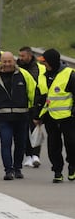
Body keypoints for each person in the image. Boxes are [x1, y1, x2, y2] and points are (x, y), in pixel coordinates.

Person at [0, 52, 37, 181]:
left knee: (20, 144)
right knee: (6, 143)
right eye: (5, 61)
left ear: (14, 61)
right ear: (1, 62)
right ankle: (8, 170)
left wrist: (34, 113)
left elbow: (33, 92)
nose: (7, 64)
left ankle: (17, 168)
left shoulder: (24, 75)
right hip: (3, 117)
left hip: (22, 116)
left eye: (9, 61)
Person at [36, 48, 75, 183]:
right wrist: (37, 116)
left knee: (71, 144)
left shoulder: (70, 74)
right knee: (53, 146)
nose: (43, 64)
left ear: (52, 61)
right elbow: (40, 98)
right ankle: (57, 171)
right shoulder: (42, 76)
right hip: (50, 117)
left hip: (68, 118)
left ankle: (72, 167)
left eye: (45, 62)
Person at [17, 46, 46, 168]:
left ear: (29, 55)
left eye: (23, 56)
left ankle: (36, 155)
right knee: (24, 130)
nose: (21, 58)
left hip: (35, 103)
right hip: (22, 103)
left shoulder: (38, 67)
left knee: (35, 129)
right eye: (20, 56)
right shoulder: (17, 67)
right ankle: (28, 155)